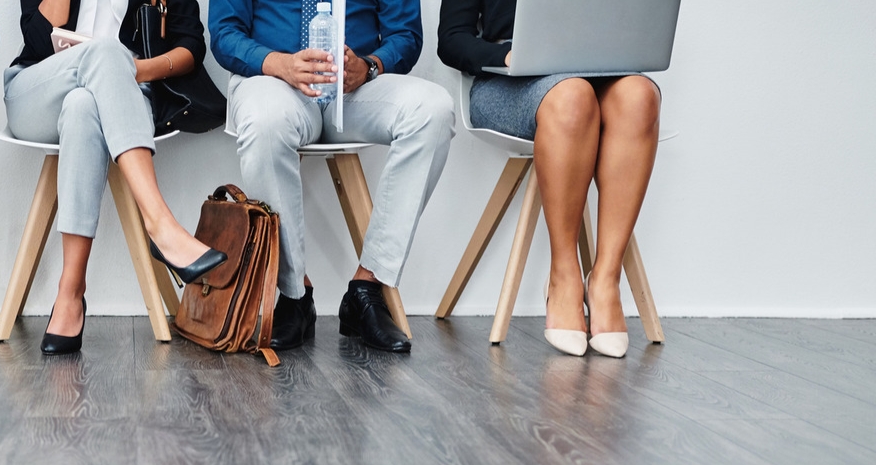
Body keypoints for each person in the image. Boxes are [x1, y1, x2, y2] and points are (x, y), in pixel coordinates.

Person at [210, 0, 454, 352]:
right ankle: (294, 294)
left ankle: (367, 287)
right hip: (275, 80)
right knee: (264, 122)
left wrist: (370, 66)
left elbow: (405, 34)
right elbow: (224, 32)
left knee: (433, 110)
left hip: (355, 89)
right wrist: (281, 63)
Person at [438, 0, 661, 358]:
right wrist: (511, 56)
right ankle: (564, 275)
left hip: (600, 76)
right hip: (508, 84)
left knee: (640, 97)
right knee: (573, 96)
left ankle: (605, 279)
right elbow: (451, 39)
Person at [8, 0, 229, 355]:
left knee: (83, 104)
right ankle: (162, 226)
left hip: (125, 95)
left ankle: (70, 292)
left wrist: (132, 70)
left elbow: (190, 47)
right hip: (39, 89)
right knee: (107, 51)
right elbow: (36, 40)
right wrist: (111, 58)